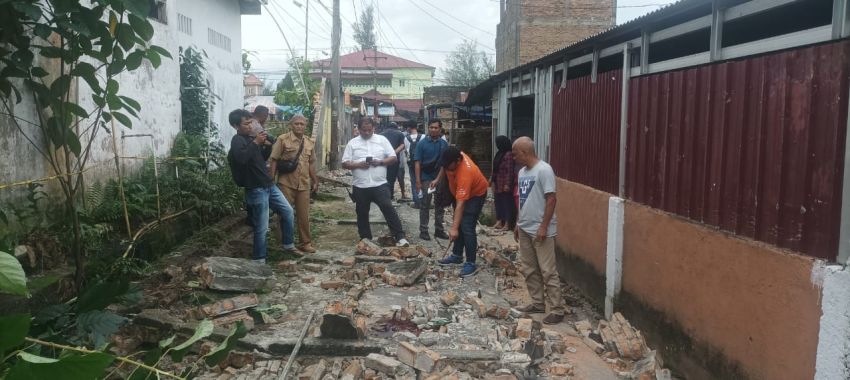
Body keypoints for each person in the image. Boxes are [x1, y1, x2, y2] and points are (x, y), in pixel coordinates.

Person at [227, 109, 296, 264]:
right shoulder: (237, 140)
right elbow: (241, 158)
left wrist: (267, 146)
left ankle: (288, 244)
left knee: (288, 211)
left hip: (268, 185)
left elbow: (260, 158)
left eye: (250, 122)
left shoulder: (251, 138)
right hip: (256, 188)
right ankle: (259, 259)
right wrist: (256, 143)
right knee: (262, 226)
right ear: (236, 126)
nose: (250, 126)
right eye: (246, 123)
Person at [512, 136, 565, 324]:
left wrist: (544, 226)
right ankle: (537, 303)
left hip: (541, 229)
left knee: (548, 270)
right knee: (529, 268)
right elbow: (523, 199)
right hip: (525, 227)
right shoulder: (522, 172)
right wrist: (518, 223)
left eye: (516, 154)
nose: (514, 158)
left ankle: (557, 309)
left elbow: (551, 199)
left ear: (525, 152)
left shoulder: (544, 170)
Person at [341, 118, 410, 247]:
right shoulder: (352, 143)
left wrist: (381, 162)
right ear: (359, 129)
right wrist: (358, 165)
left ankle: (400, 237)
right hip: (360, 185)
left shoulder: (382, 140)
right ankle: (365, 239)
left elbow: (393, 158)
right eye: (364, 130)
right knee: (362, 213)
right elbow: (344, 163)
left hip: (380, 184)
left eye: (369, 130)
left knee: (388, 208)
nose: (367, 133)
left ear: (374, 128)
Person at [435, 146, 489, 277]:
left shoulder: (466, 173)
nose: (446, 167)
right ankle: (457, 255)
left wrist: (453, 229)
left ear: (458, 161)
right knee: (459, 222)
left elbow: (461, 204)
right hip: (459, 192)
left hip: (475, 195)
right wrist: (437, 179)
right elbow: (443, 166)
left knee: (467, 226)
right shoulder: (451, 159)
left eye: (448, 165)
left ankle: (471, 263)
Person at [270, 114, 318, 254]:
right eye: (296, 123)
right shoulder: (282, 139)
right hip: (286, 183)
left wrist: (315, 180)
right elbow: (274, 159)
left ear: (305, 126)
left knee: (304, 215)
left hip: (304, 184)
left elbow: (311, 163)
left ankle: (305, 243)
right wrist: (271, 179)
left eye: (302, 124)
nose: (299, 126)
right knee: (284, 214)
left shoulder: (309, 142)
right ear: (291, 125)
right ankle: (284, 242)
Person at [415, 120, 449, 241]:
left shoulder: (444, 144)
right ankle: (423, 230)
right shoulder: (421, 144)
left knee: (440, 204)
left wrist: (438, 179)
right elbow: (417, 163)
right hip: (425, 178)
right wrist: (418, 181)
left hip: (439, 177)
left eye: (435, 128)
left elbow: (444, 164)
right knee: (425, 204)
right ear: (428, 128)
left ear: (440, 129)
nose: (433, 130)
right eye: (431, 127)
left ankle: (439, 230)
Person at [491, 135, 517, 230]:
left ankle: (507, 223)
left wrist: (507, 184)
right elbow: (495, 168)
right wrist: (492, 180)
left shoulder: (508, 154)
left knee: (506, 203)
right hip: (497, 182)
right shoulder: (499, 153)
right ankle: (499, 221)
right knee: (498, 202)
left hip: (504, 183)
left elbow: (509, 170)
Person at [380, 122, 406, 200]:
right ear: (396, 127)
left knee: (383, 177)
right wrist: (393, 153)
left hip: (383, 159)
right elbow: (403, 145)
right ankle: (390, 196)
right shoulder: (400, 134)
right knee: (391, 179)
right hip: (394, 160)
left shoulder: (381, 134)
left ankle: (383, 195)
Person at [405, 124, 423, 209]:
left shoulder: (406, 138)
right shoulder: (423, 137)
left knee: (414, 181)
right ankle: (424, 201)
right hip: (422, 163)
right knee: (423, 181)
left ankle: (417, 202)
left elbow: (406, 151)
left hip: (412, 163)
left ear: (409, 128)